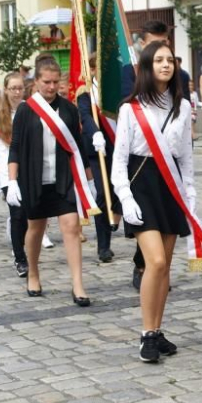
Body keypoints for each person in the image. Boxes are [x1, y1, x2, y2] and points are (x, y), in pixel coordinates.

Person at [111, 40, 196, 363]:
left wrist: (190, 192)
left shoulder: (183, 106)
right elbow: (119, 162)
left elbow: (185, 156)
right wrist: (125, 197)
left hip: (170, 186)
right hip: (141, 185)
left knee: (165, 269)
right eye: (158, 60)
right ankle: (146, 333)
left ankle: (158, 331)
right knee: (155, 262)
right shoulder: (130, 108)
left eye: (170, 60)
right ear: (147, 67)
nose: (165, 65)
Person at [6, 55, 97, 305]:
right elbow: (15, 147)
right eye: (46, 81)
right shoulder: (26, 110)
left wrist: (89, 182)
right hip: (34, 179)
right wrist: (11, 180)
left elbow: (77, 147)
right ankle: (33, 272)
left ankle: (78, 284)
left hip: (63, 179)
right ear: (35, 81)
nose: (51, 87)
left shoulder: (69, 109)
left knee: (71, 226)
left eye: (55, 82)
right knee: (35, 228)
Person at [77, 53, 117, 263]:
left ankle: (120, 218)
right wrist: (95, 133)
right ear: (92, 71)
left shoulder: (116, 91)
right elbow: (85, 115)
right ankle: (104, 246)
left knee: (121, 191)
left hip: (118, 148)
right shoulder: (86, 93)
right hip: (97, 150)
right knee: (103, 194)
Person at [0, 72, 28, 277]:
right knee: (17, 214)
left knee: (28, 216)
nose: (17, 92)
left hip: (28, 170)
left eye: (20, 88)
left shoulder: (30, 111)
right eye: (13, 88)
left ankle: (21, 244)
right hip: (6, 172)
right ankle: (20, 258)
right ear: (6, 90)